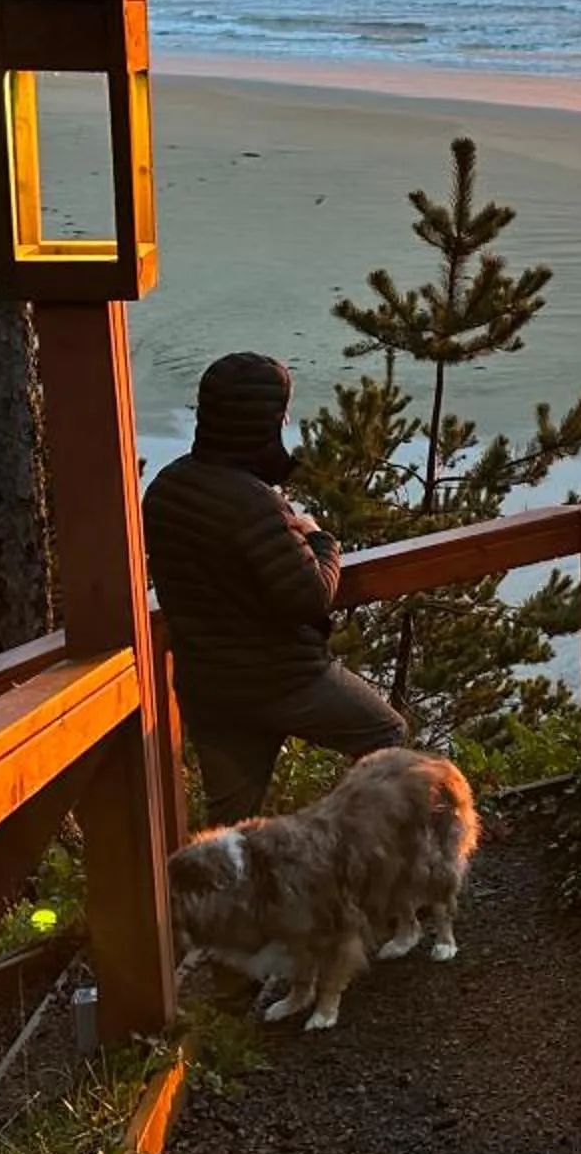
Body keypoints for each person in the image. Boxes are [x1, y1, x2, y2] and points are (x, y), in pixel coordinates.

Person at [143, 351, 406, 822]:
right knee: (385, 734)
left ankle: (228, 893)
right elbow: (309, 596)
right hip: (286, 681)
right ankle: (347, 850)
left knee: (231, 825)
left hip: (211, 688)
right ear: (265, 421)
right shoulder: (254, 505)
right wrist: (320, 538)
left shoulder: (166, 489)